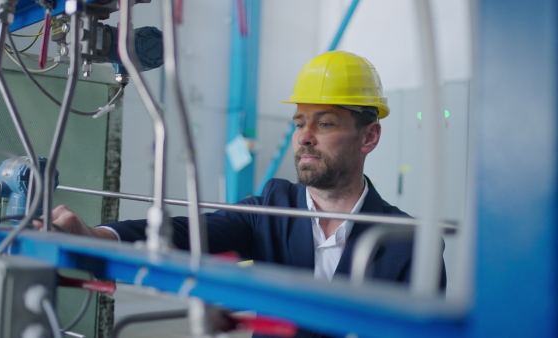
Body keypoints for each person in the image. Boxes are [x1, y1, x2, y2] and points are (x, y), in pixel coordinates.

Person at [43, 51, 446, 337]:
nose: (303, 137)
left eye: (324, 124)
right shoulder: (273, 207)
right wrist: (98, 238)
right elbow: (186, 232)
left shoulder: (409, 242)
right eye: (299, 122)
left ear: (369, 136)